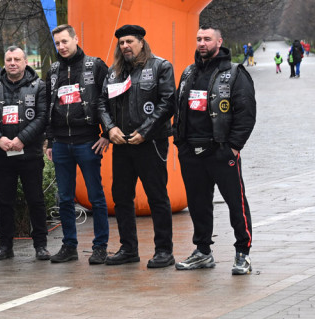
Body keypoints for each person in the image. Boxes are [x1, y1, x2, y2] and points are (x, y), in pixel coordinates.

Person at [173, 25, 256, 275]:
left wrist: (232, 147)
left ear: (219, 42)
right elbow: (179, 109)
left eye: (207, 39)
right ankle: (203, 252)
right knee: (198, 205)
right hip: (191, 153)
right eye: (198, 39)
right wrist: (181, 144)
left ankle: (243, 253)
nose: (201, 43)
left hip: (221, 152)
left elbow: (246, 114)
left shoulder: (234, 73)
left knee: (236, 204)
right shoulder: (188, 72)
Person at [97, 25, 176, 269]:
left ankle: (164, 251)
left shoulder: (160, 67)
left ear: (141, 42)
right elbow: (101, 103)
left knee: (157, 197)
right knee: (121, 197)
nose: (125, 46)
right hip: (122, 144)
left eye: (129, 41)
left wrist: (145, 131)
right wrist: (110, 129)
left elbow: (168, 103)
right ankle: (128, 249)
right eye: (121, 43)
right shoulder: (114, 72)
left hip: (150, 143)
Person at [43, 24, 111, 264]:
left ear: (75, 39)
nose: (61, 47)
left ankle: (100, 246)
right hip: (61, 144)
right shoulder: (52, 70)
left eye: (65, 41)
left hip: (88, 141)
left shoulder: (95, 65)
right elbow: (49, 106)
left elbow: (108, 100)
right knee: (64, 198)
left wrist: (107, 134)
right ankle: (69, 246)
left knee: (96, 197)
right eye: (57, 43)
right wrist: (49, 140)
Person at [0, 45, 50, 261]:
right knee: (4, 202)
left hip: (30, 154)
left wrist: (22, 139)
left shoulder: (39, 86)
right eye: (9, 59)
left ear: (25, 62)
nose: (12, 63)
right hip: (3, 155)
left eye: (17, 59)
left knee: (36, 200)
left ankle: (41, 245)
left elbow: (42, 116)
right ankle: (5, 246)